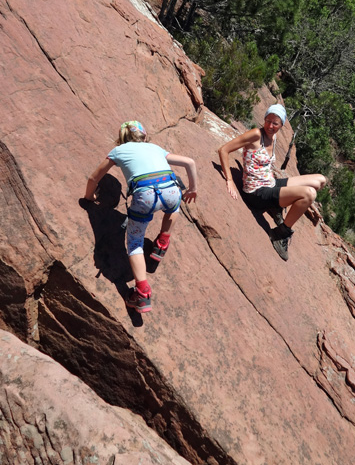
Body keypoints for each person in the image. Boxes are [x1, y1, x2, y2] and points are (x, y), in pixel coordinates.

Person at [85, 120, 197, 313]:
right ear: (144, 136)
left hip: (145, 196)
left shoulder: (118, 151)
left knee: (135, 243)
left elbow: (94, 178)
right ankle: (162, 243)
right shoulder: (154, 147)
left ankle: (142, 294)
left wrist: (89, 198)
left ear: (121, 139)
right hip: (171, 190)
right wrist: (193, 188)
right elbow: (189, 162)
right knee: (173, 207)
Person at [218, 104, 326, 261]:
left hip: (270, 183)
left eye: (275, 123)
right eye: (268, 121)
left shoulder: (273, 137)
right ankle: (280, 233)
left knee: (320, 180)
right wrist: (229, 179)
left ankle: (276, 206)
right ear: (264, 119)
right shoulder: (256, 134)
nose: (270, 126)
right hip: (256, 193)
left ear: (282, 125)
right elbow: (223, 150)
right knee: (309, 194)